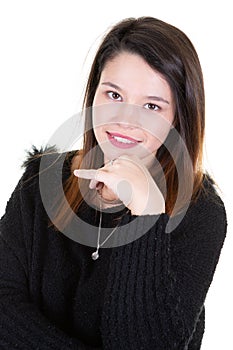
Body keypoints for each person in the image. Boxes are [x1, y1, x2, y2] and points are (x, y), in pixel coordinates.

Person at [0, 16, 227, 350]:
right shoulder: (40, 182)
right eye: (114, 95)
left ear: (178, 118)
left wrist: (147, 212)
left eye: (152, 106)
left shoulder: (199, 211)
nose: (125, 120)